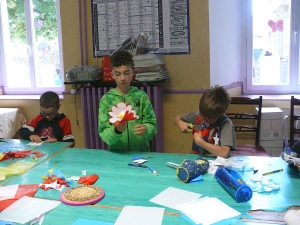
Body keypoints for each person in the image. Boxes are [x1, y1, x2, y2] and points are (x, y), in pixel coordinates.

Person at [98, 51, 157, 151]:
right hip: (117, 155)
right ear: (112, 74)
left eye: (126, 73)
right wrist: (116, 131)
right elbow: (104, 133)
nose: (122, 78)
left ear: (133, 72)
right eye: (118, 74)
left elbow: (152, 125)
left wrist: (146, 129)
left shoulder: (141, 96)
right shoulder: (106, 100)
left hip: (141, 154)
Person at [173, 86, 236, 158]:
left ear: (220, 114)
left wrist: (200, 142)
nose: (204, 119)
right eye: (203, 115)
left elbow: (224, 153)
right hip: (196, 160)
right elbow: (176, 117)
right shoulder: (198, 115)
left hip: (216, 163)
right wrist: (179, 122)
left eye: (209, 118)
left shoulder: (226, 124)